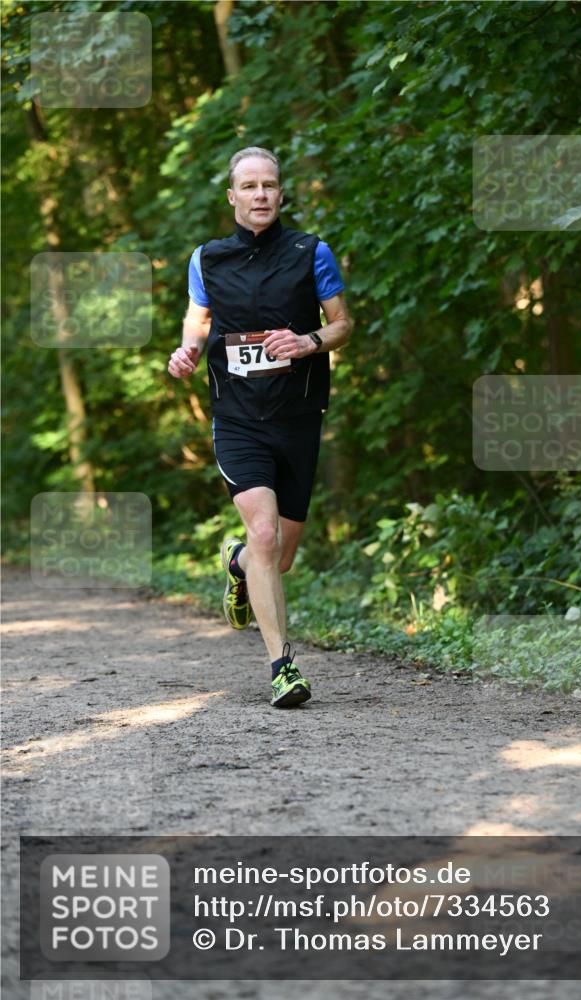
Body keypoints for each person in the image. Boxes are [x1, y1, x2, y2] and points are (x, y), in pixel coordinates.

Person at [167, 147, 352, 708]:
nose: (260, 194)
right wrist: (187, 351)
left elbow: (342, 324)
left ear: (281, 193)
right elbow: (198, 320)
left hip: (298, 416)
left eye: (269, 185)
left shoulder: (310, 252)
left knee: (278, 556)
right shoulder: (207, 259)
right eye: (249, 186)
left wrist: (308, 341)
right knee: (265, 534)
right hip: (238, 417)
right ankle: (282, 668)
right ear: (233, 196)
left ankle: (238, 563)